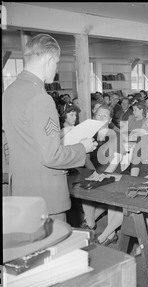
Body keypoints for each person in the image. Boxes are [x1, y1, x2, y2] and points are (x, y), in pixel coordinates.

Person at [2, 34, 97, 221]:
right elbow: (51, 156)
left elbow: (27, 138)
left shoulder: (10, 92)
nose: (56, 68)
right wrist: (82, 148)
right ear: (48, 59)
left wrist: (61, 133)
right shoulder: (40, 98)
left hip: (22, 190)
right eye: (57, 63)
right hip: (46, 195)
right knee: (55, 247)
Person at [94, 106, 148, 245]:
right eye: (147, 118)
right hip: (140, 178)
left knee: (128, 200)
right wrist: (133, 180)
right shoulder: (142, 138)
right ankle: (110, 234)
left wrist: (141, 182)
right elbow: (135, 164)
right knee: (117, 193)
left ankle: (104, 236)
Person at [81, 105, 129, 230]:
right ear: (94, 117)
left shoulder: (116, 136)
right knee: (84, 186)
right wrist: (93, 173)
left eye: (105, 116)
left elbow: (116, 160)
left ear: (109, 120)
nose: (101, 117)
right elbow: (86, 159)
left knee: (96, 188)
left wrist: (102, 175)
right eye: (99, 115)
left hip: (111, 173)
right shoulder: (89, 136)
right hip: (93, 171)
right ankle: (90, 222)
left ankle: (89, 222)